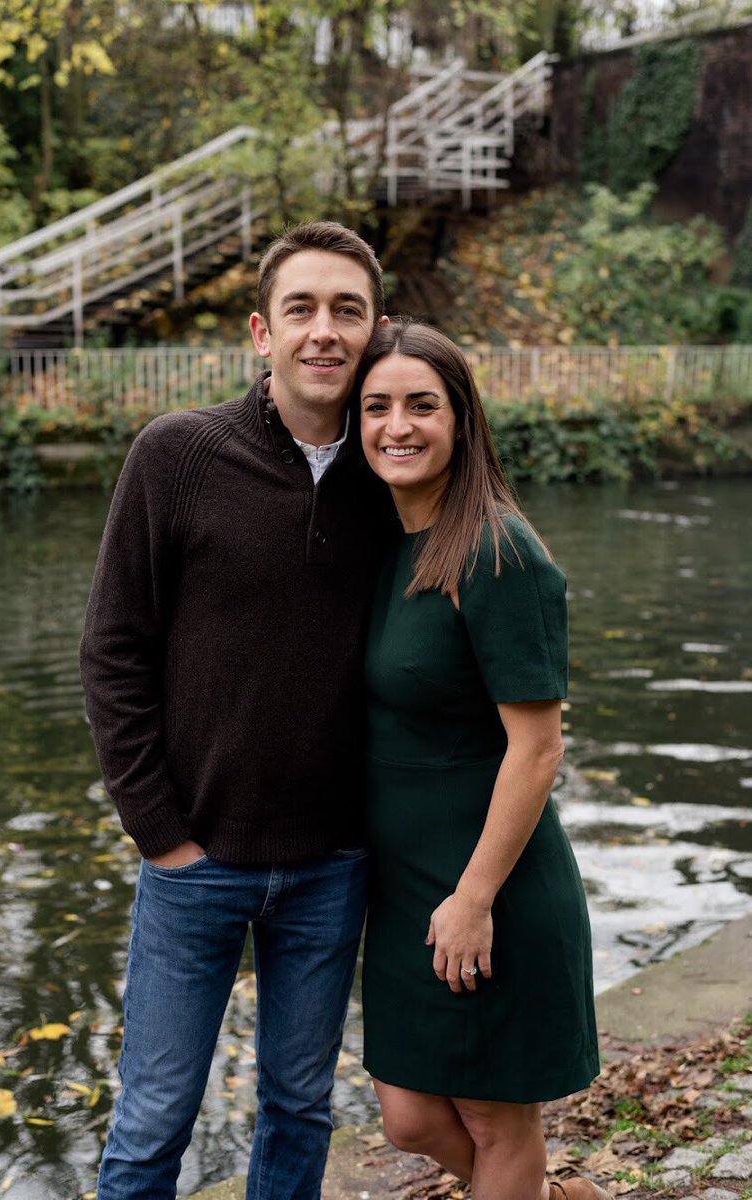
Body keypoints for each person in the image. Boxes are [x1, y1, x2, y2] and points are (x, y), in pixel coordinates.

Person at [79, 221, 390, 1200]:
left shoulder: (396, 476)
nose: (324, 330)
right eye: (302, 308)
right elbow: (112, 650)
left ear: (375, 332)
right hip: (193, 861)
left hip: (332, 864)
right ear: (262, 330)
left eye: (349, 309)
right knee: (151, 1124)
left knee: (300, 1107)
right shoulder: (176, 456)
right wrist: (158, 831)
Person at [357, 319, 607, 1200]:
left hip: (485, 887)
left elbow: (538, 749)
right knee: (408, 1116)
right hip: (405, 890)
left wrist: (473, 899)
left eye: (422, 405)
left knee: (496, 1120)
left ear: (461, 419)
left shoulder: (499, 552)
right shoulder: (390, 545)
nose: (398, 425)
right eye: (376, 406)